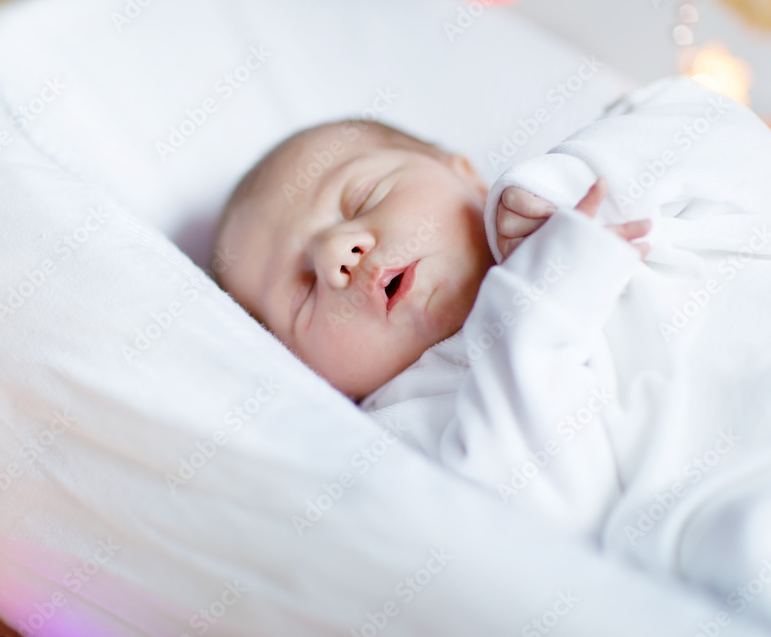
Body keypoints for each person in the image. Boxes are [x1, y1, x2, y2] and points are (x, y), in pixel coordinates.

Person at [212, 75, 771, 626]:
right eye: (303, 292)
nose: (339, 252)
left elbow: (729, 141)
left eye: (361, 197)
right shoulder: (416, 417)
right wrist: (538, 304)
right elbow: (543, 522)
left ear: (463, 173)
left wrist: (580, 175)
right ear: (316, 377)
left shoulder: (589, 190)